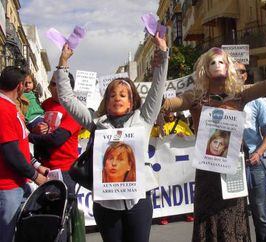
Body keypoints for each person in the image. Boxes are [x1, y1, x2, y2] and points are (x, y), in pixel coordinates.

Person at [55, 32, 167, 242]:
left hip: (138, 202)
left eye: (123, 95)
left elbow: (157, 87)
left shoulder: (143, 119)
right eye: (112, 95)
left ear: (131, 101)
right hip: (106, 206)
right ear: (106, 101)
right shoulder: (96, 123)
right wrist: (62, 64)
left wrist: (163, 52)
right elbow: (67, 99)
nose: (117, 98)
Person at [162, 47, 266, 241]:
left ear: (229, 67)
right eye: (212, 62)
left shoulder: (241, 94)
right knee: (207, 217)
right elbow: (168, 104)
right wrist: (161, 63)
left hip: (233, 166)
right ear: (205, 69)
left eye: (221, 61)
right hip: (208, 169)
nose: (217, 65)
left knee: (233, 215)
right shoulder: (195, 96)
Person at [0, 66, 48, 242]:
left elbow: (20, 145)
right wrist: (35, 175)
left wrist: (36, 165)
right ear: (20, 87)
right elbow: (10, 151)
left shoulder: (12, 108)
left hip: (19, 184)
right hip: (7, 187)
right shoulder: (3, 109)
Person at [236, 62, 266, 242]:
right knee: (235, 215)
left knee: (260, 214)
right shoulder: (221, 99)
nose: (238, 74)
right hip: (231, 166)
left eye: (241, 71)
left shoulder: (257, 101)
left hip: (254, 164)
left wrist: (258, 153)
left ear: (246, 75)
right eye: (234, 71)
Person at [29, 73, 82, 196]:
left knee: (62, 210)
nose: (48, 87)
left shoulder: (74, 108)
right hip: (44, 168)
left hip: (64, 170)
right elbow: (34, 126)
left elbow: (56, 139)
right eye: (50, 83)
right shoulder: (46, 104)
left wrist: (28, 137)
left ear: (64, 86)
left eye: (53, 84)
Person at [150, 110, 194, 225]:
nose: (169, 114)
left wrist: (183, 136)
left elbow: (191, 139)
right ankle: (165, 215)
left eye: (171, 111)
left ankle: (188, 212)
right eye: (166, 112)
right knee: (165, 184)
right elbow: (151, 141)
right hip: (165, 163)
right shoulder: (157, 127)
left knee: (183, 185)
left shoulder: (182, 124)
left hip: (181, 162)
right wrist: (159, 134)